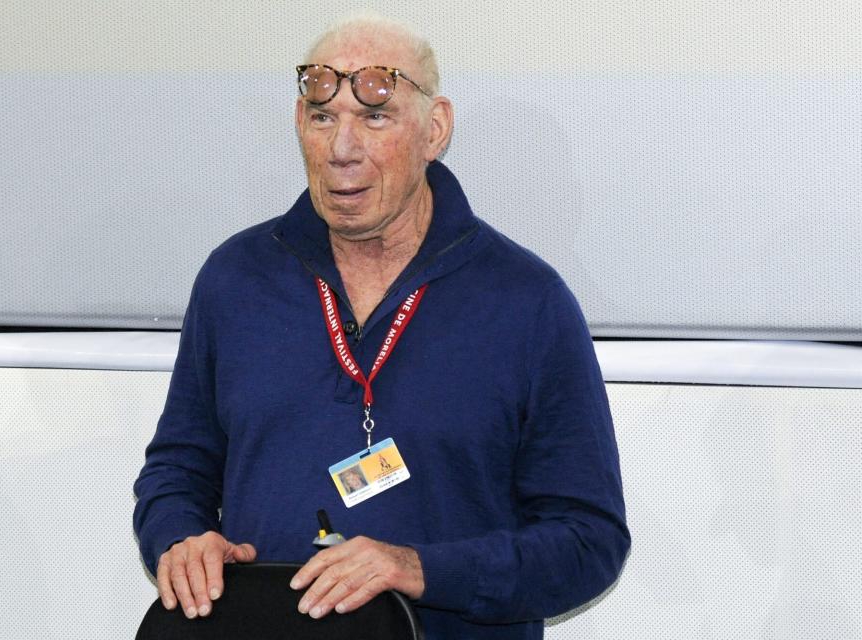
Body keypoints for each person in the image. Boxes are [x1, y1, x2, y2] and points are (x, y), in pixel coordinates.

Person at [133, 13, 630, 639]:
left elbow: (588, 542)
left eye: (375, 116)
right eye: (322, 117)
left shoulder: (528, 303)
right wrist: (180, 538)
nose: (342, 149)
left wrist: (422, 569)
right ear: (299, 125)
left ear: (435, 128)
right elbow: (177, 470)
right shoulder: (236, 280)